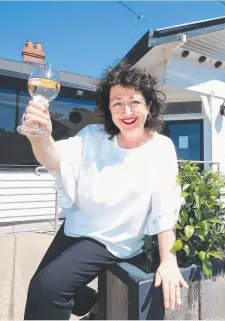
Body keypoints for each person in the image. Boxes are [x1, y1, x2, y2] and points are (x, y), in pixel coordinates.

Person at [22, 60, 188, 320]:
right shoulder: (93, 135)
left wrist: (169, 260)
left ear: (148, 106)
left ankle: (91, 305)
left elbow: (165, 207)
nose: (126, 110)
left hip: (114, 238)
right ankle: (93, 303)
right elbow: (56, 159)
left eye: (134, 101)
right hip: (78, 227)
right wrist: (40, 137)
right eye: (117, 103)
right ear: (108, 109)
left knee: (50, 289)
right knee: (39, 285)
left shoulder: (161, 148)